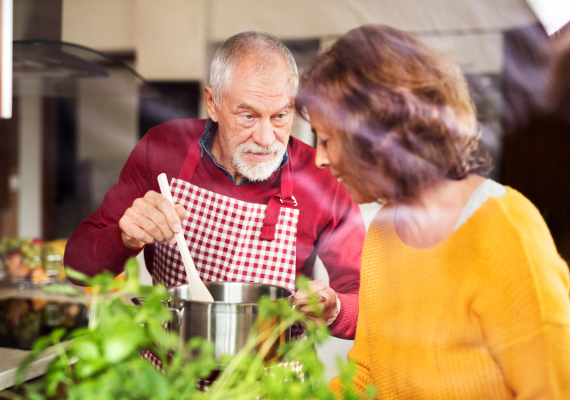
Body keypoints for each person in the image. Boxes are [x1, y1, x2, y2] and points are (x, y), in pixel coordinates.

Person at [295, 24, 570, 399]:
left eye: (327, 140)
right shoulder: (384, 231)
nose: (320, 159)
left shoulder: (507, 232)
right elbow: (368, 374)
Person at [64, 31, 366, 338]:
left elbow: (369, 305)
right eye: (248, 115)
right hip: (168, 375)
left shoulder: (323, 180)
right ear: (213, 103)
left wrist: (335, 308)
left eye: (280, 116)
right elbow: (78, 266)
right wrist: (123, 238)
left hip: (274, 380)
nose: (265, 139)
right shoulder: (162, 147)